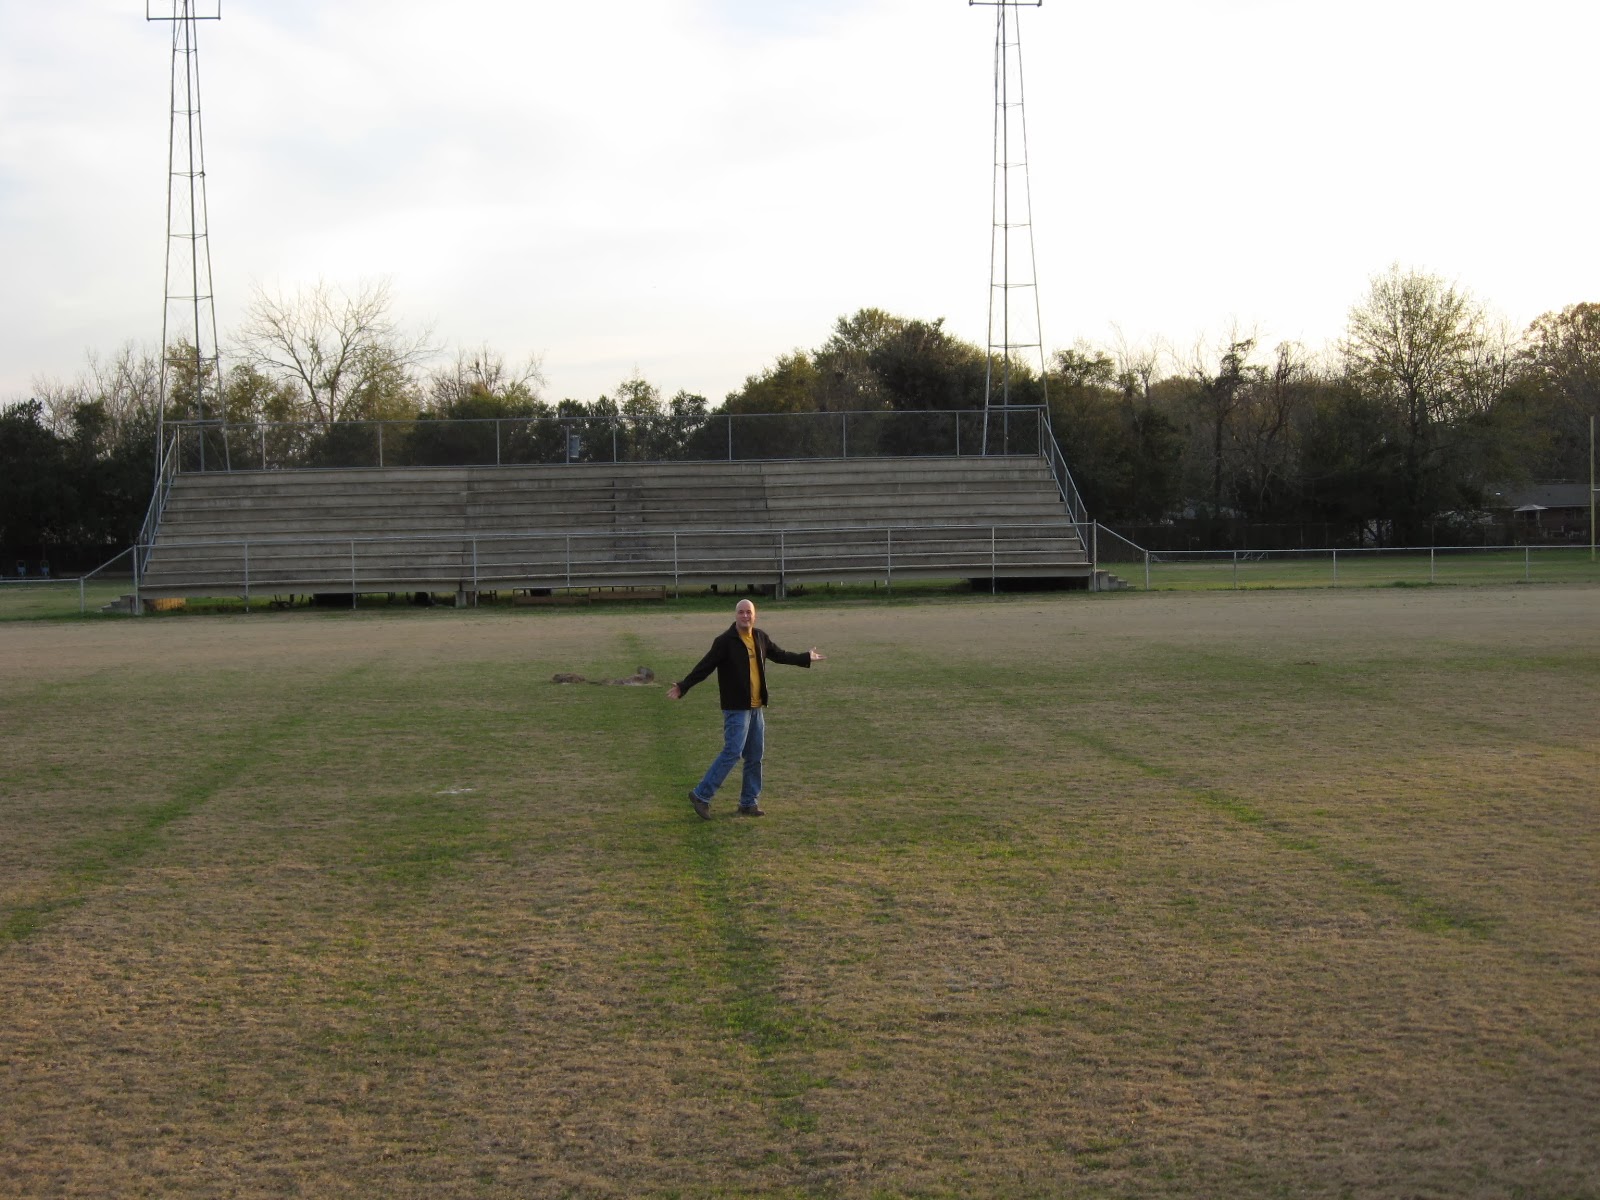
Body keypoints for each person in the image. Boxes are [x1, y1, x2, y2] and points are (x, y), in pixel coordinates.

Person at [667, 598, 825, 818]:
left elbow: (780, 655)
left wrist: (805, 657)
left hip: (756, 708)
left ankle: (748, 802)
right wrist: (683, 686)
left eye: (749, 612)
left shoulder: (760, 637)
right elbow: (705, 666)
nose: (745, 616)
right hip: (736, 708)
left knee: (755, 755)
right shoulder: (725, 641)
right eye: (741, 612)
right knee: (732, 752)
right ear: (735, 615)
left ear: (754, 615)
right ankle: (701, 795)